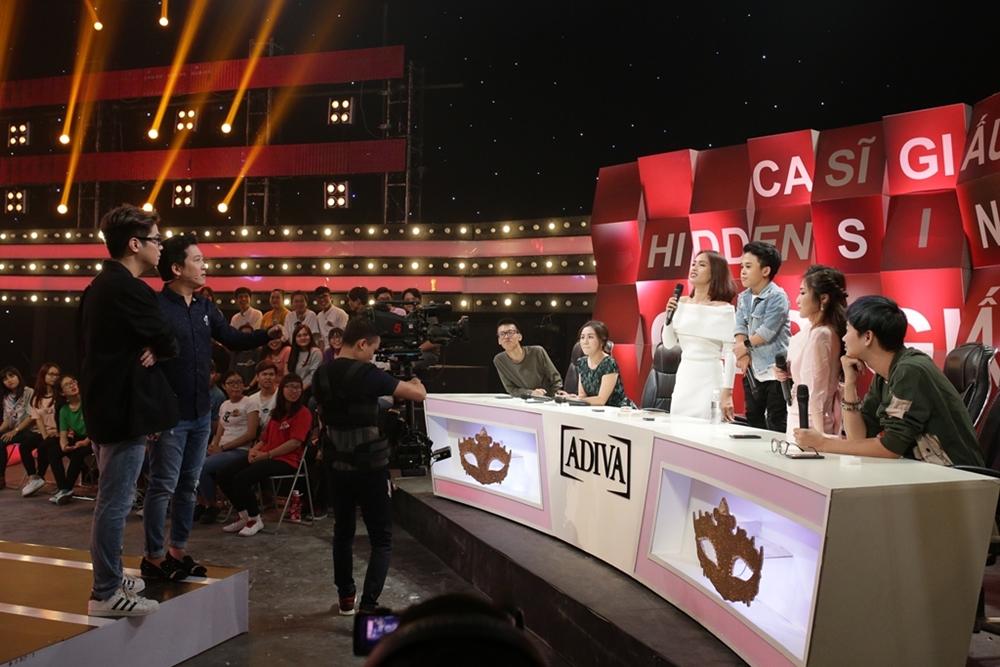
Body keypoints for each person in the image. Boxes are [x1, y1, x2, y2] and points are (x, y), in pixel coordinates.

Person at [142, 233, 274, 583]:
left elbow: (232, 339)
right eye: (198, 260)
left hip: (201, 413)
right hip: (169, 415)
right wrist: (149, 350)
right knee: (163, 486)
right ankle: (153, 557)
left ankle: (178, 551)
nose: (204, 266)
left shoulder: (204, 307)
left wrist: (267, 335)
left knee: (189, 485)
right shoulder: (156, 306)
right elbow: (140, 349)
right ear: (176, 268)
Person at [80, 203, 179, 617]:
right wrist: (158, 347)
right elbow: (168, 339)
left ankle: (111, 575)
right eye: (156, 240)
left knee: (112, 500)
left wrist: (153, 346)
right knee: (115, 503)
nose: (161, 247)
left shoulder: (98, 286)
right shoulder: (130, 289)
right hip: (122, 411)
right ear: (135, 244)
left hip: (105, 407)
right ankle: (105, 592)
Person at [312, 317, 427, 615]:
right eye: (373, 350)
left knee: (343, 532)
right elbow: (418, 395)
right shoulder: (367, 374)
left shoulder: (321, 374)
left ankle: (345, 598)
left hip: (336, 464)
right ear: (362, 344)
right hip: (370, 468)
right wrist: (415, 381)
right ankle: (369, 605)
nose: (373, 356)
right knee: (381, 539)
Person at [795, 296, 984, 466]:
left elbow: (890, 448)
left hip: (957, 477)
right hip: (930, 474)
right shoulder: (884, 375)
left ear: (868, 337)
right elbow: (859, 437)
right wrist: (850, 384)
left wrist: (823, 444)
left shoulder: (910, 370)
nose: (844, 337)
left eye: (848, 330)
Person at [216, 373, 312, 536]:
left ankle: (255, 519)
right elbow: (264, 439)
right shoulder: (277, 413)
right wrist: (254, 450)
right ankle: (244, 516)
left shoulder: (303, 413)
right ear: (282, 389)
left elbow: (294, 443)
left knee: (242, 478)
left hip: (286, 460)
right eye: (290, 387)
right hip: (265, 454)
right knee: (224, 474)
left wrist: (266, 454)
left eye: (297, 387)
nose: (294, 391)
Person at [660, 250, 738, 420]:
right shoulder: (681, 302)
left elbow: (730, 354)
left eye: (702, 265)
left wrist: (727, 392)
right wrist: (668, 318)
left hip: (710, 378)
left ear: (715, 272)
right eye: (694, 264)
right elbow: (668, 343)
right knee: (678, 426)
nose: (694, 268)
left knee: (706, 428)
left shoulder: (724, 310)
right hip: (685, 376)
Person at [775, 265, 847, 440]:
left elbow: (816, 392)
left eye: (803, 293)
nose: (798, 300)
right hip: (799, 416)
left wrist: (820, 435)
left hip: (810, 422)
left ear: (823, 298)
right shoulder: (810, 330)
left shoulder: (821, 334)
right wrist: (784, 372)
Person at [734, 241, 790, 432]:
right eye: (742, 266)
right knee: (753, 419)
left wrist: (743, 346)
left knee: (776, 421)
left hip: (776, 371)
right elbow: (740, 325)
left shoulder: (777, 296)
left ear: (765, 271)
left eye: (748, 267)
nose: (742, 272)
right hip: (753, 369)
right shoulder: (743, 297)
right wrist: (742, 352)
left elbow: (767, 332)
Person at [196, 371, 259, 525]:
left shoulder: (250, 403)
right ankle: (201, 503)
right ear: (224, 386)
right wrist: (214, 445)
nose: (235, 386)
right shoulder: (225, 405)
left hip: (240, 450)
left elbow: (251, 434)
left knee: (203, 466)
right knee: (191, 463)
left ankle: (212, 506)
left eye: (239, 382)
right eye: (231, 383)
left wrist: (222, 448)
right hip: (223, 449)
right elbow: (220, 429)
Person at [557, 321, 636, 408]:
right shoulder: (581, 362)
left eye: (590, 337)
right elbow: (582, 396)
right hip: (596, 410)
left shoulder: (609, 363)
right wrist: (571, 397)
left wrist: (573, 399)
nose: (585, 342)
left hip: (619, 410)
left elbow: (601, 400)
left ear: (601, 341)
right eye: (582, 337)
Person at [43, 375, 93, 505]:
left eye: (73, 382)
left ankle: (67, 489)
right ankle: (63, 488)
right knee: (54, 451)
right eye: (67, 384)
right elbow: (63, 434)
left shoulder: (88, 402)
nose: (72, 385)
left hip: (94, 438)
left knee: (78, 452)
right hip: (78, 438)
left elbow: (97, 426)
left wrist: (86, 441)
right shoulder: (64, 410)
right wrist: (64, 446)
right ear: (62, 392)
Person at [492, 318, 563, 397]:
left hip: (547, 398)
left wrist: (555, 394)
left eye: (510, 332)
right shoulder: (499, 360)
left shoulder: (537, 352)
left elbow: (556, 379)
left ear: (520, 337)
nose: (506, 337)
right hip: (523, 399)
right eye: (502, 334)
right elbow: (511, 389)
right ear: (499, 341)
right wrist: (531, 393)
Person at [19, 363, 60, 497]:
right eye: (51, 374)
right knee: (24, 446)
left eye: (57, 375)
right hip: (43, 432)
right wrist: (45, 435)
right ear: (43, 375)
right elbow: (38, 419)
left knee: (44, 446)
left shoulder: (60, 395)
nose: (54, 377)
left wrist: (56, 433)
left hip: (59, 432)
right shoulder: (37, 397)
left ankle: (40, 476)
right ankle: (33, 478)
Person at [0, 366, 34, 490]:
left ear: (18, 376)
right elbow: (7, 420)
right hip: (15, 431)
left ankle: (0, 478)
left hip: (29, 430)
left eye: (12, 376)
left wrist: (15, 431)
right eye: (5, 379)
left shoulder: (29, 392)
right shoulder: (6, 397)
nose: (9, 380)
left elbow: (31, 416)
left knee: (1, 442)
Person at [289, 323, 323, 394]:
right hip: (294, 389)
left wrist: (298, 390)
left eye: (305, 335)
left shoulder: (316, 352)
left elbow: (313, 376)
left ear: (310, 336)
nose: (303, 338)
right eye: (299, 336)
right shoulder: (294, 352)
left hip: (309, 390)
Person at [315, 285, 348, 351]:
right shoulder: (319, 316)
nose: (322, 299)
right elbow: (320, 337)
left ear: (330, 297)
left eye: (324, 296)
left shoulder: (341, 313)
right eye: (319, 297)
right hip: (324, 351)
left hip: (338, 350)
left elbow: (344, 335)